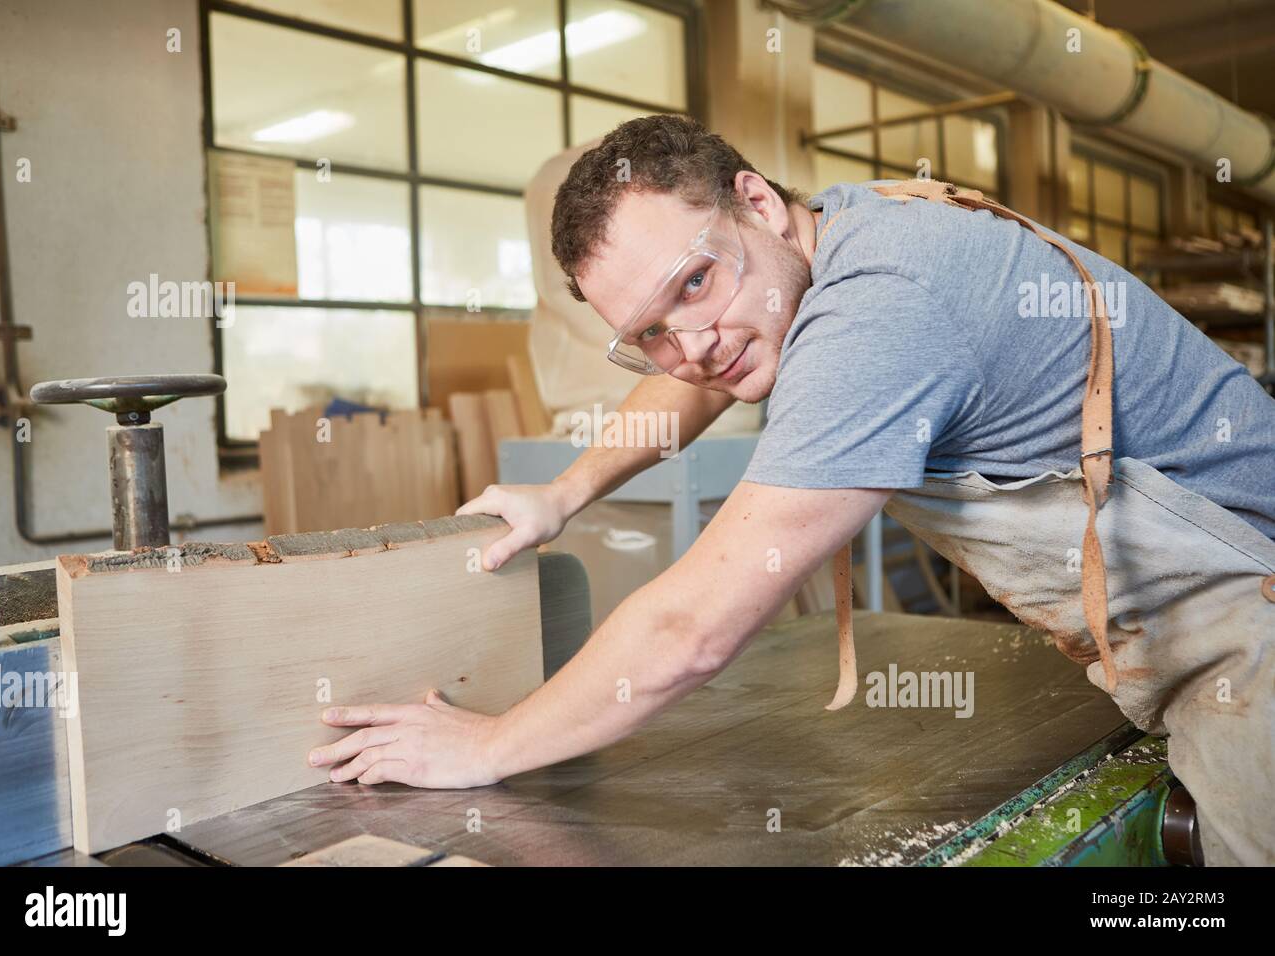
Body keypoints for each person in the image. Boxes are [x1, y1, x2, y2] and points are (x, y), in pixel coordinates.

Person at [309, 115, 1275, 865]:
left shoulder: (877, 316)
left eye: (693, 285)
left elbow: (693, 632)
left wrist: (487, 749)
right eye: (649, 329)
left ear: (757, 202)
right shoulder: (836, 230)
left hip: (1254, 629)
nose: (690, 346)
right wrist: (564, 495)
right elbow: (699, 367)